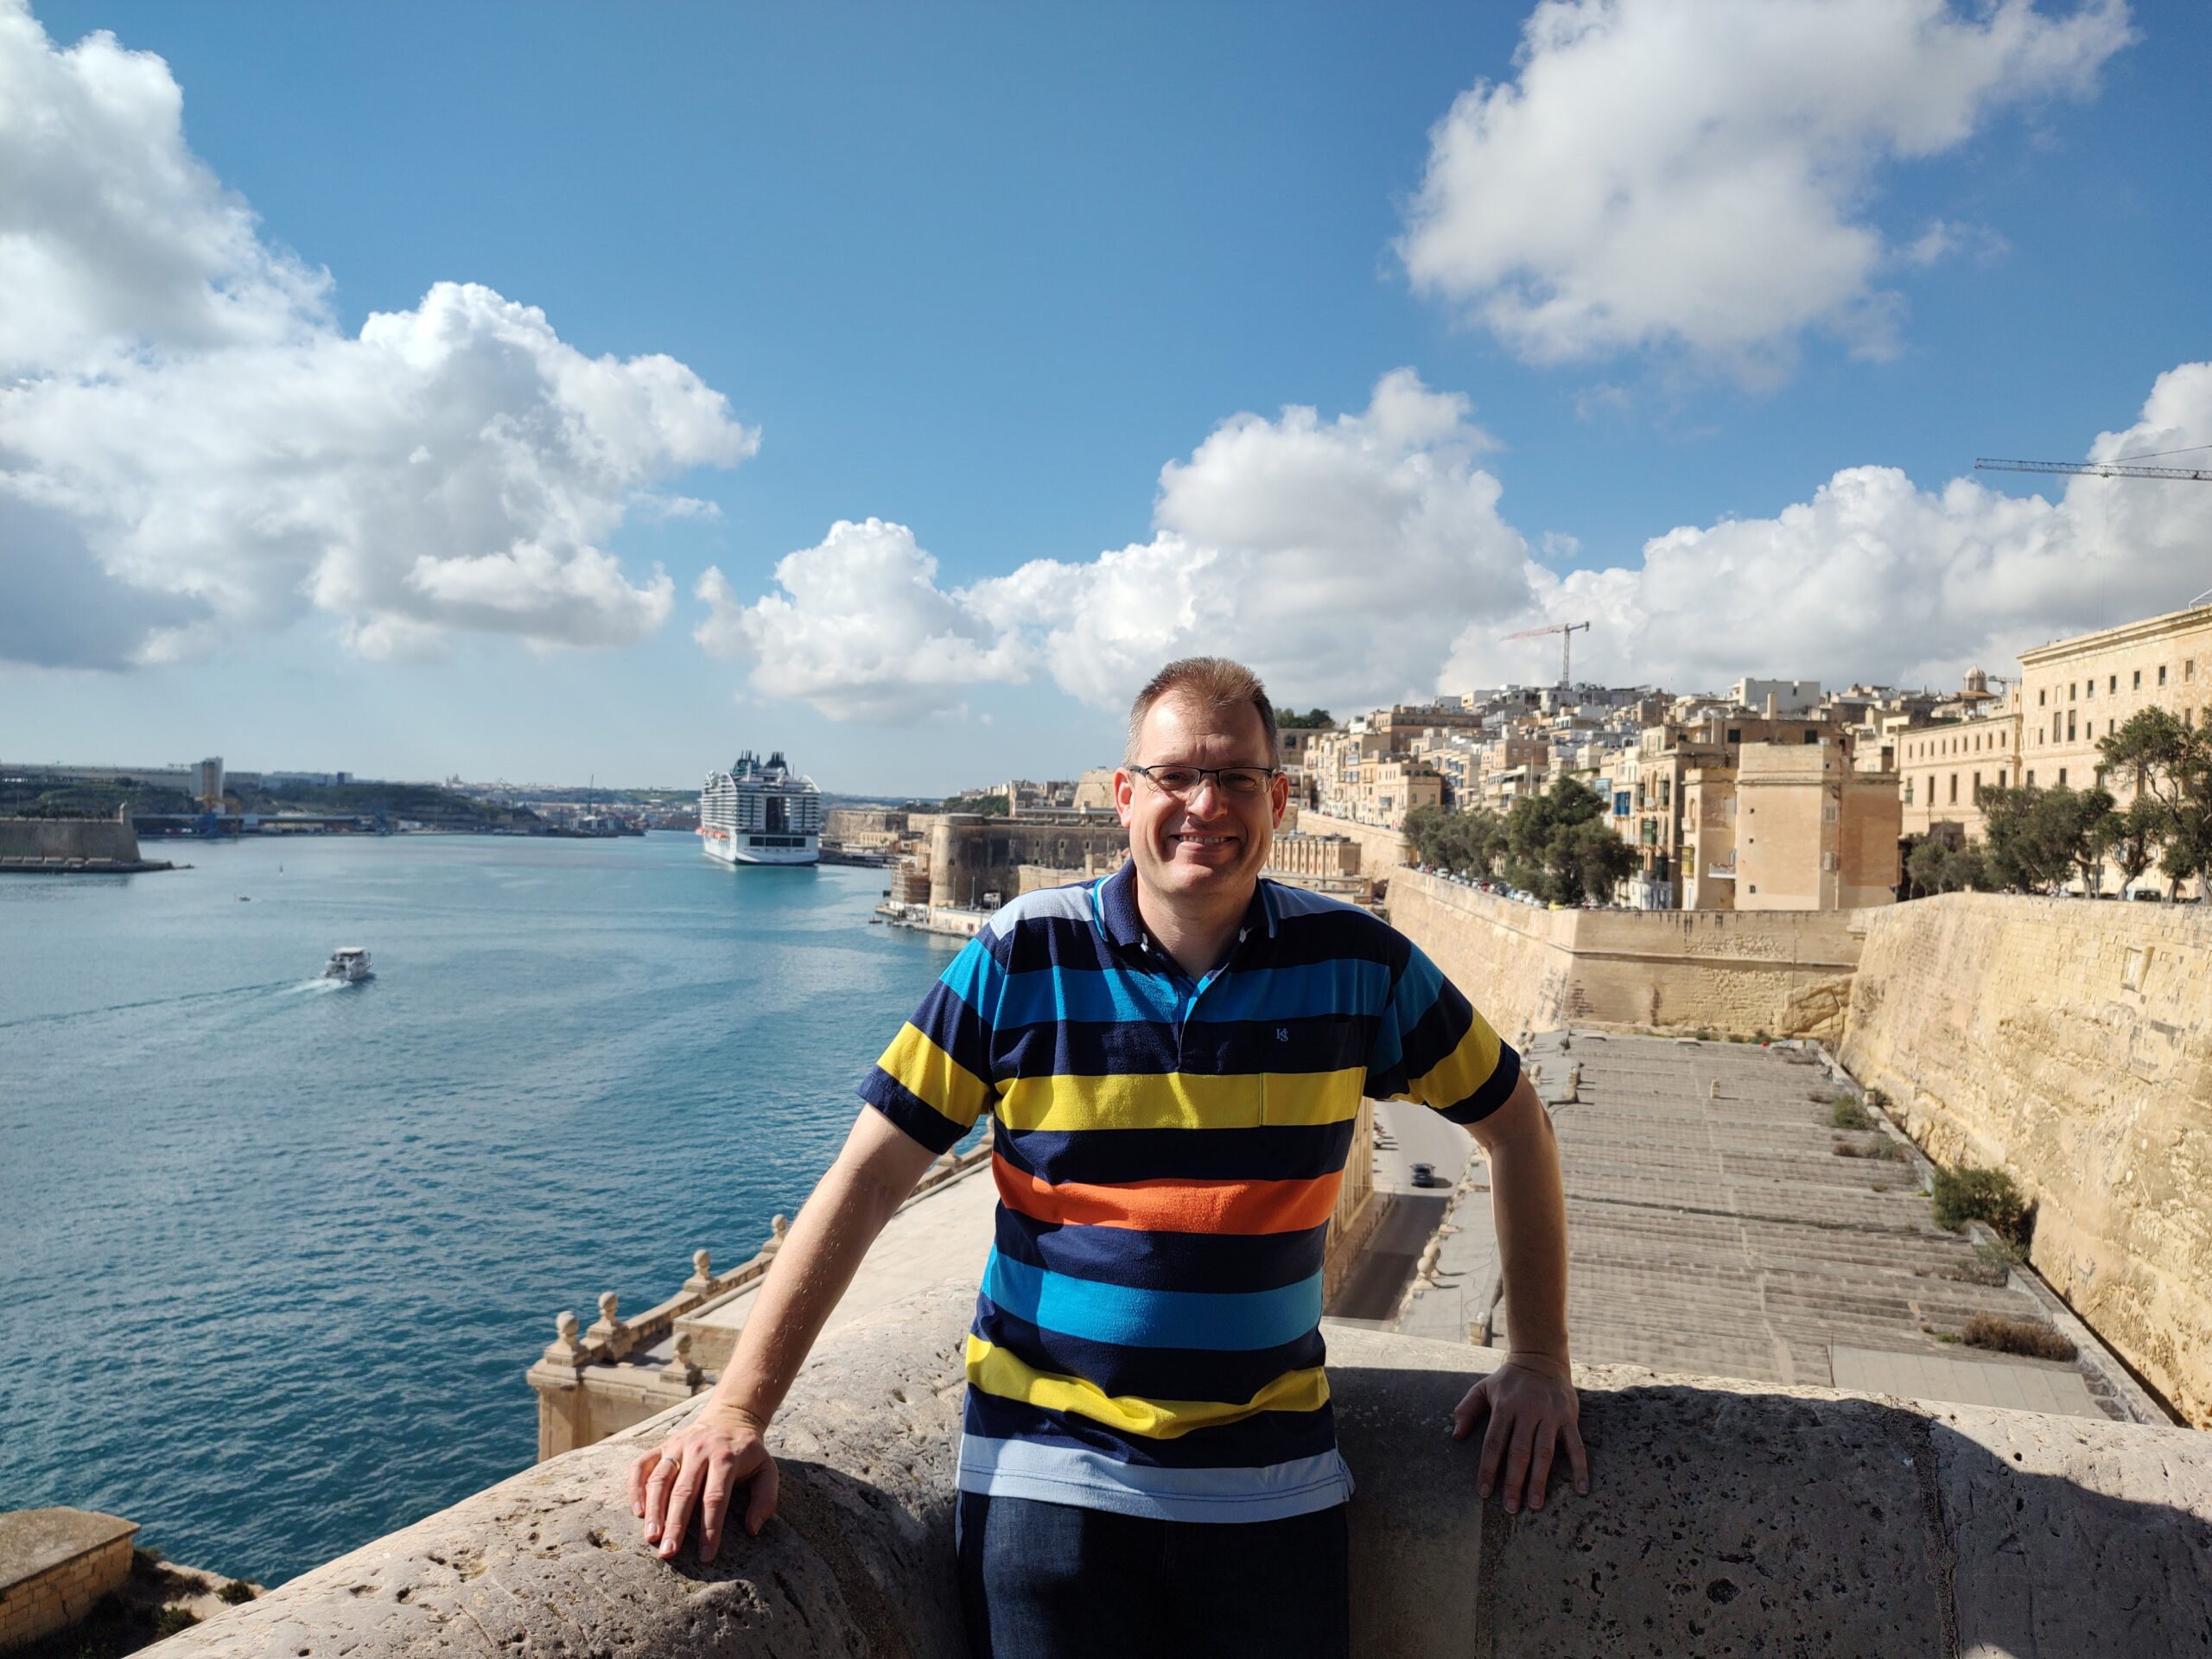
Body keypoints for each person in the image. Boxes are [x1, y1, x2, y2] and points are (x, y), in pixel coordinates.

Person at [630, 656, 1586, 1656]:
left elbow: (1516, 1124)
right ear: (1125, 795)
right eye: (1175, 776)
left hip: (1274, 1489)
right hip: (1048, 1484)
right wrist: (736, 1410)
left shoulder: (1360, 965)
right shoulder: (1018, 954)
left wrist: (1537, 1359)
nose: (1204, 805)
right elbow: (869, 1177)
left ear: (1280, 800)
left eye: (1237, 779)